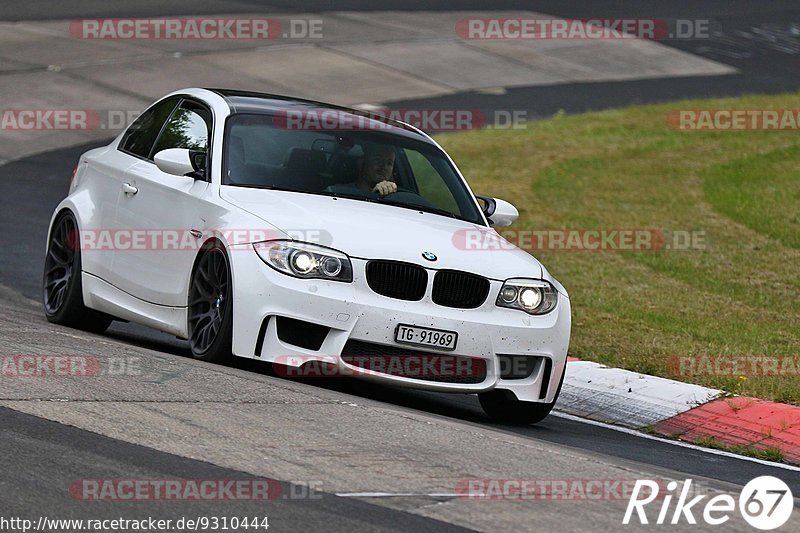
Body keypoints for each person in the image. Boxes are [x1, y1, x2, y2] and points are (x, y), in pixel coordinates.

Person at [326, 142, 397, 197]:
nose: (384, 166)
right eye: (377, 160)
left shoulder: (395, 198)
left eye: (389, 163)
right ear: (361, 163)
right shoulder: (335, 192)